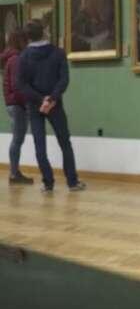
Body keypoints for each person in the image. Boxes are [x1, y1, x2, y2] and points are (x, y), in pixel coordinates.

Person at [16, 20, 84, 194]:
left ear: (28, 36)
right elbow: (64, 79)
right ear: (44, 32)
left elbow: (22, 85)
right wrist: (51, 99)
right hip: (55, 104)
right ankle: (72, 182)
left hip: (34, 106)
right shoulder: (58, 53)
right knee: (64, 142)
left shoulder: (23, 57)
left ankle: (48, 183)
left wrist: (41, 100)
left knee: (40, 146)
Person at [2, 28, 34, 185]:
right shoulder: (16, 59)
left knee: (17, 139)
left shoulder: (11, 58)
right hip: (17, 103)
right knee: (17, 140)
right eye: (25, 40)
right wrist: (26, 103)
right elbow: (17, 85)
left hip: (13, 103)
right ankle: (14, 174)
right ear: (20, 41)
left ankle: (15, 172)